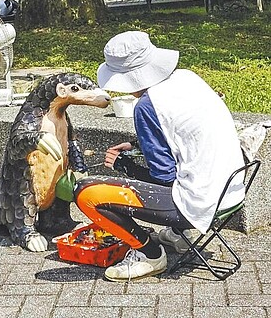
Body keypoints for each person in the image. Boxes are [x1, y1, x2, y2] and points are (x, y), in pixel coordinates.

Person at [74, 30, 245, 282]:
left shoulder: (146, 106)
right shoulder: (188, 78)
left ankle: (150, 255)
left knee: (86, 193)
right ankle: (177, 235)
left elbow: (163, 179)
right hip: (231, 192)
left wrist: (125, 167)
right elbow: (183, 135)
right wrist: (138, 144)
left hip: (197, 205)